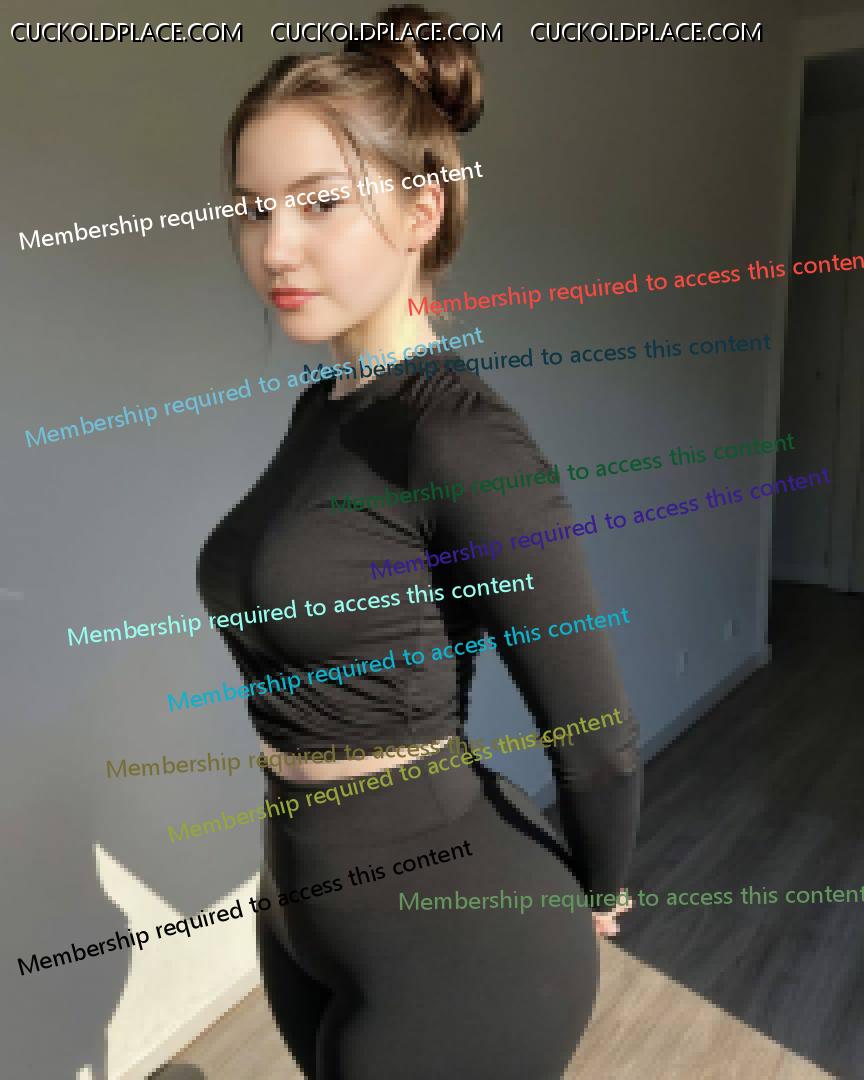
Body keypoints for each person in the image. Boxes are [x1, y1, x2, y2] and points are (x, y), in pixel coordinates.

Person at [197, 6, 641, 1077]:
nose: (274, 245)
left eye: (319, 203)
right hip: (303, 896)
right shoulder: (324, 409)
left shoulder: (458, 434)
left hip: (457, 938)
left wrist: (601, 885)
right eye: (253, 209)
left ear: (419, 210)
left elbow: (596, 735)